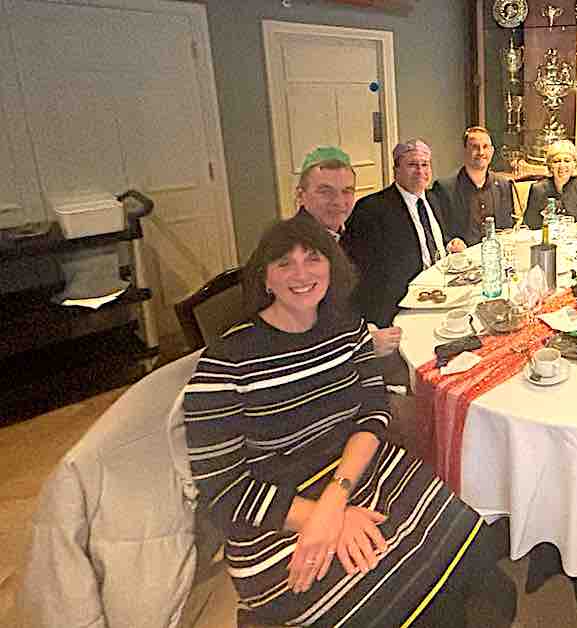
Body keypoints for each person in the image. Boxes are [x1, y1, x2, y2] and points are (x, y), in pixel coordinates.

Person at [182, 217, 486, 627]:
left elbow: (373, 413)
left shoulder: (348, 329)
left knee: (470, 547)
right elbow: (222, 488)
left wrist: (335, 498)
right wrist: (323, 518)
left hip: (357, 470)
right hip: (275, 512)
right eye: (284, 263)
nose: (301, 274)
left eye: (313, 258)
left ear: (331, 266)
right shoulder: (225, 362)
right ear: (265, 278)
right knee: (377, 598)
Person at [293, 145, 404, 356]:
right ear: (301, 195)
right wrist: (364, 344)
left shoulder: (344, 232)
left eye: (346, 191)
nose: (338, 202)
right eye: (325, 191)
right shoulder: (294, 253)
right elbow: (300, 338)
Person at [344, 139, 466, 327]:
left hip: (442, 288)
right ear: (396, 170)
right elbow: (363, 271)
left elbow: (430, 238)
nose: (420, 171)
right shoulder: (371, 209)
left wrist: (450, 243)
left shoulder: (434, 198)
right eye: (412, 165)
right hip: (403, 304)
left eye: (425, 164)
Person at [428, 126, 516, 246]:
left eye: (485, 147)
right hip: (462, 256)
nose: (481, 152)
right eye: (475, 147)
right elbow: (439, 234)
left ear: (492, 151)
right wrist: (451, 243)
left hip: (495, 254)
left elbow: (508, 227)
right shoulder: (444, 188)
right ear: (464, 151)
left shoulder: (504, 185)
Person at [525, 139, 577, 228]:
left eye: (567, 161)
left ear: (575, 164)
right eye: (556, 161)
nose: (562, 166)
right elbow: (529, 224)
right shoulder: (538, 189)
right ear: (550, 165)